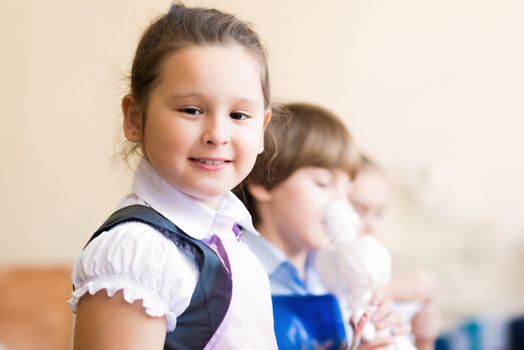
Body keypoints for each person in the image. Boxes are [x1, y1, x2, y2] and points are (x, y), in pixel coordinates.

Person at [68, 4, 281, 349]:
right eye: (191, 110)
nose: (217, 134)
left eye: (239, 115)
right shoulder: (140, 251)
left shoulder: (228, 236)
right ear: (135, 118)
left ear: (262, 129)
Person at [236, 102, 407, 349]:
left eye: (347, 191)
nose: (339, 203)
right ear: (263, 182)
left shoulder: (333, 272)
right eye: (324, 183)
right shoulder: (236, 276)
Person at [349, 156, 442, 350]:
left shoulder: (385, 280)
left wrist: (424, 340)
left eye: (379, 213)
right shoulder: (321, 284)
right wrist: (389, 291)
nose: (372, 226)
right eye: (358, 211)